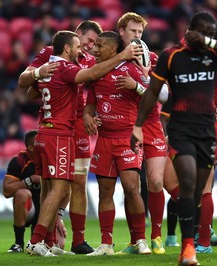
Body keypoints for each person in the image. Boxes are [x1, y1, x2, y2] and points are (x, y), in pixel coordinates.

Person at [131, 11, 217, 266]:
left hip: (207, 129)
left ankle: (193, 241)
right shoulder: (172, 56)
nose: (207, 37)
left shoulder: (213, 54)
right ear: (190, 30)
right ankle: (188, 248)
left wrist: (210, 42)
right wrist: (138, 125)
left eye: (212, 34)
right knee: (188, 183)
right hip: (181, 129)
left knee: (195, 195)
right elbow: (151, 93)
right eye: (203, 32)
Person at [23, 30, 140, 257]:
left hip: (44, 132)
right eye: (80, 45)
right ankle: (36, 241)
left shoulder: (48, 69)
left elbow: (30, 91)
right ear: (67, 48)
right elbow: (92, 73)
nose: (84, 50)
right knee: (59, 188)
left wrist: (38, 75)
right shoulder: (65, 68)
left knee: (49, 187)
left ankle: (46, 243)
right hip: (59, 135)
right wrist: (123, 56)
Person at [18, 20, 102, 254]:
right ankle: (41, 240)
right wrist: (38, 72)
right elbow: (26, 84)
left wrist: (88, 111)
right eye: (87, 41)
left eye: (95, 44)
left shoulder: (85, 58)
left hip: (61, 125)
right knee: (55, 185)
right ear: (76, 37)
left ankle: (75, 240)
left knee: (74, 182)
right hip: (60, 129)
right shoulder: (52, 57)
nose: (90, 47)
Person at [83, 31, 151, 256]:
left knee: (132, 188)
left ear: (113, 49)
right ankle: (106, 244)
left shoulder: (131, 69)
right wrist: (87, 116)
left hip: (127, 138)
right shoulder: (96, 73)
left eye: (100, 45)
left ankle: (140, 240)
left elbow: (153, 97)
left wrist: (135, 86)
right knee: (105, 192)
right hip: (104, 140)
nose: (94, 49)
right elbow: (90, 104)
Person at [161, 68, 217, 253]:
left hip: (205, 127)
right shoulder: (179, 59)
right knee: (168, 180)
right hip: (183, 127)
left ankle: (205, 241)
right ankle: (200, 224)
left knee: (203, 188)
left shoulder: (210, 64)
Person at [115, 12, 167, 255]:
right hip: (125, 126)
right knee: (131, 186)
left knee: (156, 181)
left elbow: (164, 95)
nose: (137, 36)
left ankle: (157, 236)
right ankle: (137, 240)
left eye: (140, 32)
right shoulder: (111, 58)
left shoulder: (153, 59)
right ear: (122, 32)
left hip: (151, 123)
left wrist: (139, 83)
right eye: (133, 31)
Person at [2, 130, 67, 253]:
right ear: (31, 147)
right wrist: (28, 181)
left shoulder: (53, 158)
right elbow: (7, 190)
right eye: (40, 143)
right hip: (29, 210)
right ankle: (18, 244)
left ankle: (41, 239)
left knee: (61, 244)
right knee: (22, 194)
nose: (44, 145)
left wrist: (59, 217)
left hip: (48, 211)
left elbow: (65, 190)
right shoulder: (19, 161)